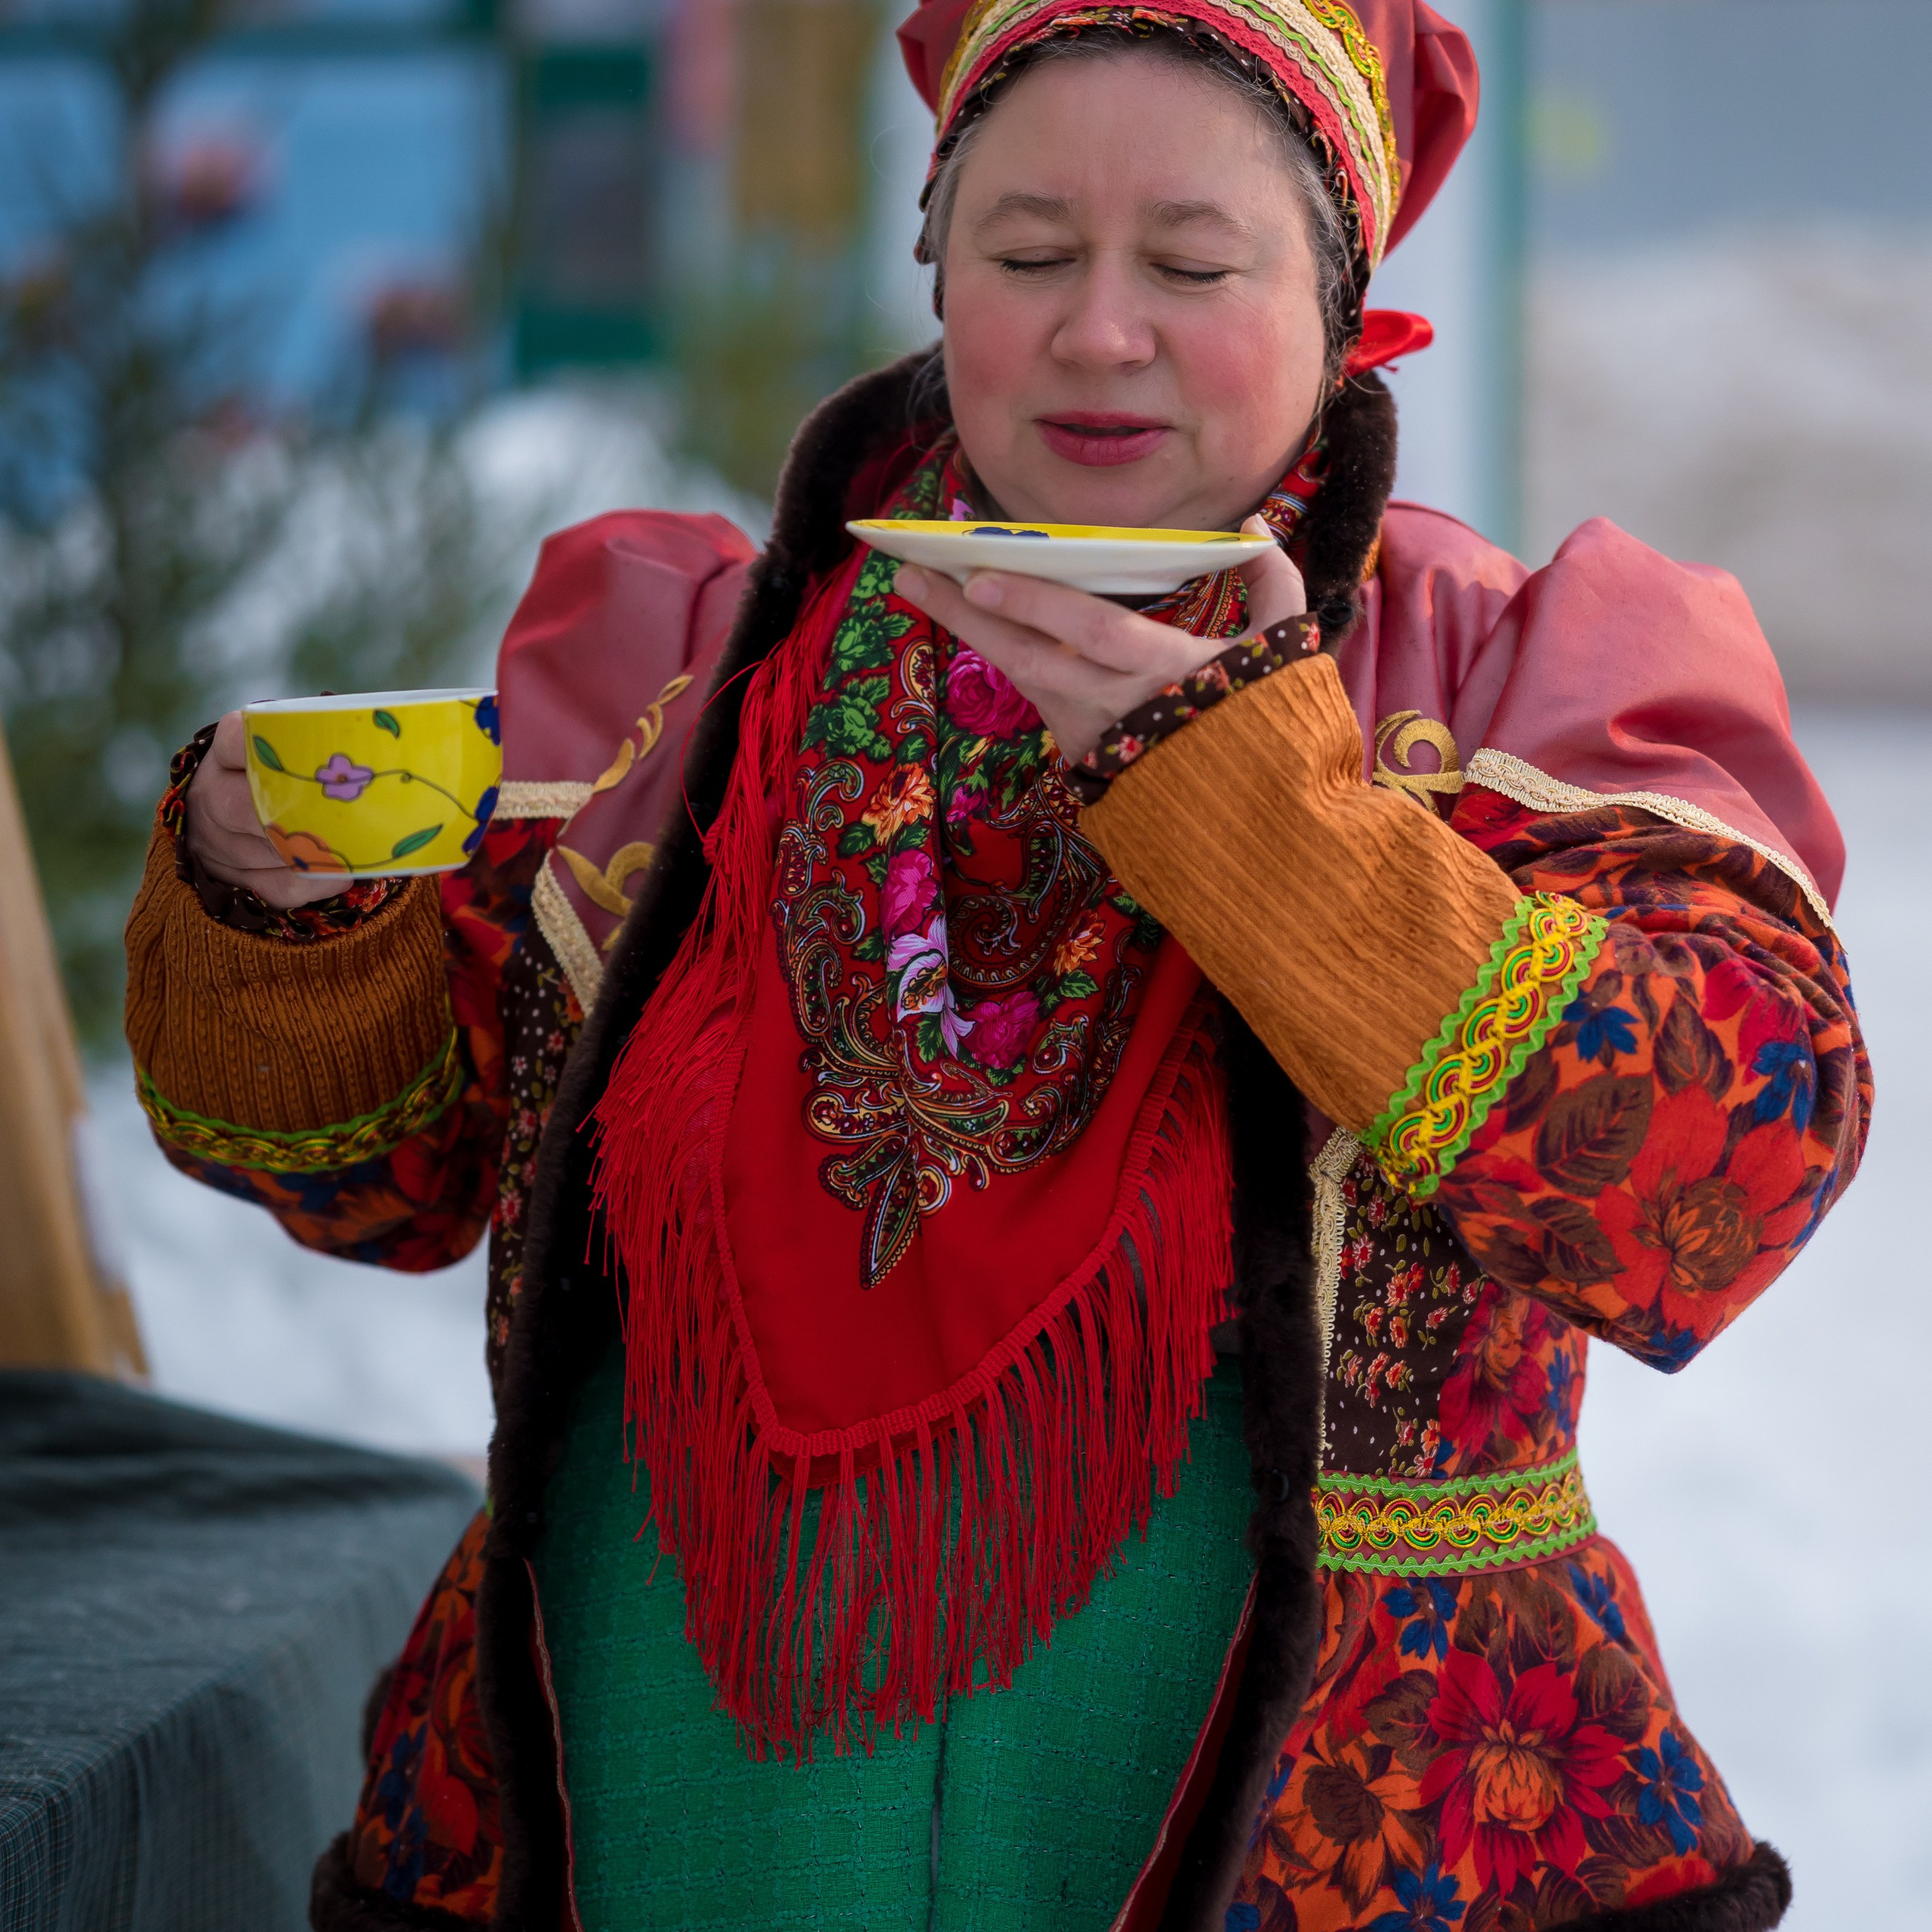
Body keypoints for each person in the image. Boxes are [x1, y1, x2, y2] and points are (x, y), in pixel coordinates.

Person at [124, 2, 1868, 1926]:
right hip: (657, 1812)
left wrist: (1266, 812)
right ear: (937, 264)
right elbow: (387, 1177)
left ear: (1345, 295)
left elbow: (1716, 1181)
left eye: (1191, 264)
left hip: (1342, 1828)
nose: (1096, 329)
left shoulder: (1504, 673)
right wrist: (275, 908)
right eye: (1027, 253)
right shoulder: (673, 666)